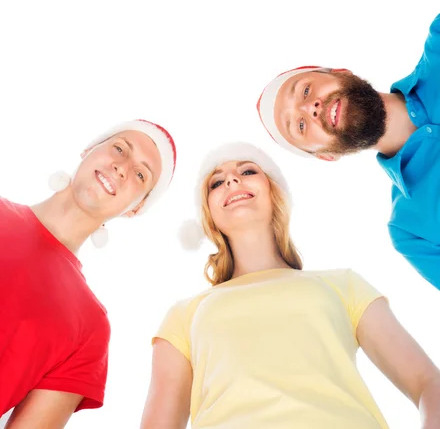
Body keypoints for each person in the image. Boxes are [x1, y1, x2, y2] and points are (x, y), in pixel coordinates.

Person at [140, 142, 440, 429]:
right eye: (216, 183)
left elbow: (428, 382)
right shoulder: (183, 315)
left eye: (247, 171)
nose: (231, 180)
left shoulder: (343, 284)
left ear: (275, 191)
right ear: (209, 216)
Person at [0, 119, 176, 428]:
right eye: (119, 148)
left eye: (140, 174)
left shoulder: (90, 328)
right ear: (87, 152)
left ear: (135, 208)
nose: (122, 167)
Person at [257, 13, 440, 290]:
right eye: (301, 125)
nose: (310, 108)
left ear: (342, 73)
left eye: (305, 91)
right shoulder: (413, 232)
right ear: (327, 155)